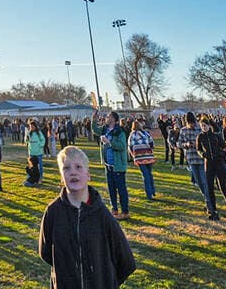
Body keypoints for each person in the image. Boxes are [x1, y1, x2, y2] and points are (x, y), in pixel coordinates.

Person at [38, 145, 136, 288]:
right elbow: (46, 253)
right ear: (61, 177)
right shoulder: (53, 212)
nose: (73, 172)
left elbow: (125, 260)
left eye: (78, 167)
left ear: (88, 174)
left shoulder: (102, 215)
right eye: (66, 168)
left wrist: (106, 281)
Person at [93, 112, 129, 219]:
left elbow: (122, 146)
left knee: (121, 190)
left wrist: (110, 141)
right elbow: (95, 129)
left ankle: (125, 211)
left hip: (117, 165)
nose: (106, 118)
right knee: (111, 189)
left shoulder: (120, 131)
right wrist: (93, 119)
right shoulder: (104, 129)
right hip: (108, 165)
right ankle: (114, 209)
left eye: (108, 116)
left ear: (113, 119)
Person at [198, 117, 226, 220]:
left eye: (205, 125)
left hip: (219, 163)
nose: (204, 127)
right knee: (210, 188)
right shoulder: (200, 137)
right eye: (202, 126)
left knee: (222, 187)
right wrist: (203, 154)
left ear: (209, 126)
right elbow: (198, 149)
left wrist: (221, 154)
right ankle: (214, 211)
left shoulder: (216, 136)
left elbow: (224, 147)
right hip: (208, 164)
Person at [128, 118, 157, 201]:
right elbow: (152, 144)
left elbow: (130, 147)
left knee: (145, 175)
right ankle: (152, 190)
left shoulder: (132, 135)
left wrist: (133, 155)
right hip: (148, 156)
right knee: (149, 173)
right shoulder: (146, 133)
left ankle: (149, 194)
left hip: (139, 157)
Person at [25, 119, 47, 187]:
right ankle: (30, 176)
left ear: (35, 126)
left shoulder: (39, 133)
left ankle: (40, 177)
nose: (31, 128)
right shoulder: (29, 133)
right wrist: (26, 139)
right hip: (31, 152)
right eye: (30, 126)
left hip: (38, 152)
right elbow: (26, 141)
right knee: (31, 165)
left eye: (32, 126)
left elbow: (43, 140)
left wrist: (41, 145)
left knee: (39, 166)